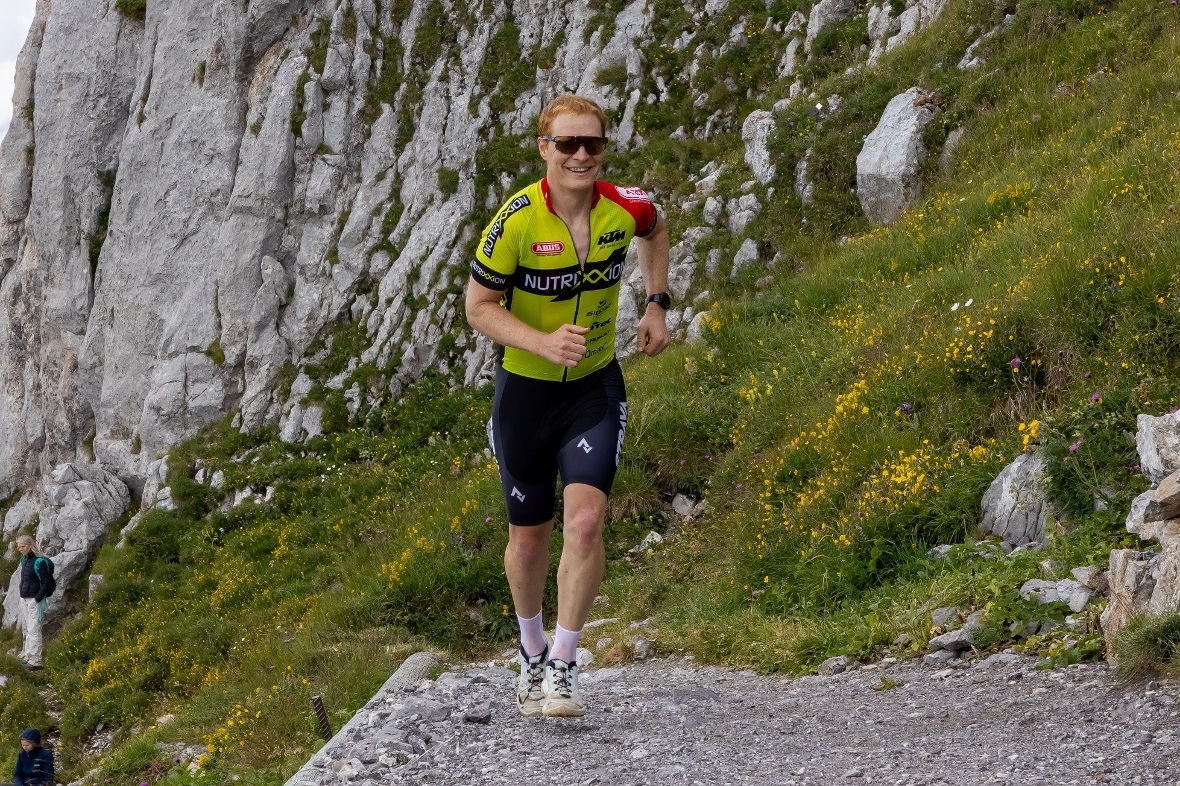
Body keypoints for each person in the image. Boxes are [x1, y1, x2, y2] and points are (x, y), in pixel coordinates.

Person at [466, 94, 672, 718]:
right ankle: (529, 652)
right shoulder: (517, 220)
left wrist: (658, 300)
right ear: (544, 149)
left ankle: (564, 665)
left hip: (594, 387)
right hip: (525, 392)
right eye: (568, 145)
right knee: (529, 540)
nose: (582, 155)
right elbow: (478, 308)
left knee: (585, 523)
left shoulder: (622, 207)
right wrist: (542, 341)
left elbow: (656, 227)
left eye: (594, 144)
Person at [14, 535, 50, 670]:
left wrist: (37, 599)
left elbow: (47, 582)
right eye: (18, 547)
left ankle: (36, 661)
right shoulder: (25, 560)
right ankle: (29, 657)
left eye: (23, 546)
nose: (20, 549)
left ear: (30, 545)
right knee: (28, 629)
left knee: (34, 629)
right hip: (25, 599)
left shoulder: (39, 561)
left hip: (34, 600)